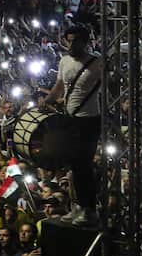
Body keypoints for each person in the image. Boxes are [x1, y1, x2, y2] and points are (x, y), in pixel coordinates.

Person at [44, 24, 103, 226]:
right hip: (69, 118)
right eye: (69, 40)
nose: (71, 44)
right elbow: (59, 87)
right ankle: (77, 206)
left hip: (89, 120)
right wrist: (48, 101)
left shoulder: (97, 63)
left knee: (84, 166)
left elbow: (112, 87)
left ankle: (90, 209)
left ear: (85, 42)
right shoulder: (64, 61)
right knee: (72, 167)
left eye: (75, 40)